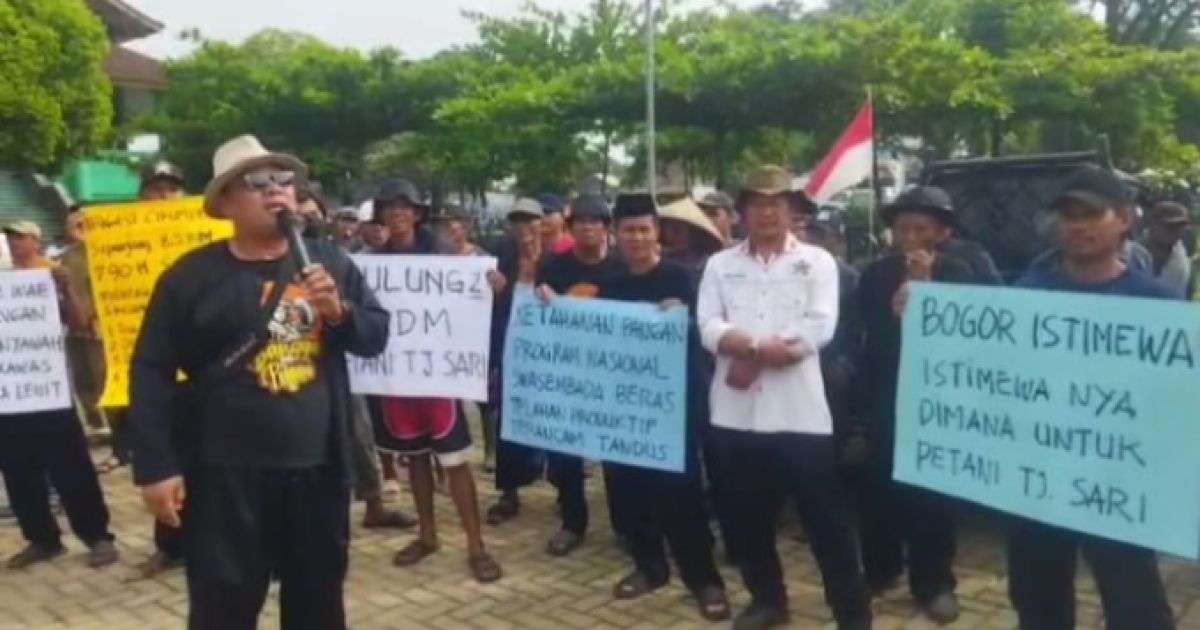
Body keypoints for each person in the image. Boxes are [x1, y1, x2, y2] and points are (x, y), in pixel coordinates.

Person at [128, 135, 388, 629]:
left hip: (317, 473)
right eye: (257, 182)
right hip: (224, 478)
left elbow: (375, 336)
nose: (277, 192)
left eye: (285, 181)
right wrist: (156, 466)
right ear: (225, 202)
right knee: (222, 608)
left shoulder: (329, 262)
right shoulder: (190, 277)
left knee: (318, 605)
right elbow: (150, 370)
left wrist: (341, 312)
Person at [697, 166, 871, 630]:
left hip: (801, 414)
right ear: (743, 212)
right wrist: (755, 348)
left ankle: (851, 613)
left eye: (776, 203)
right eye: (756, 203)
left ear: (791, 210)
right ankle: (768, 600)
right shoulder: (720, 264)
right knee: (746, 519)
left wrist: (767, 350)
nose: (766, 212)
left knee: (827, 524)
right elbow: (708, 325)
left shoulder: (817, 262)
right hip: (735, 413)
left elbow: (820, 326)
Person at [1008, 167, 1176, 630]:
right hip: (1037, 479)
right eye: (1068, 216)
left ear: (1124, 219)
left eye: (1091, 214)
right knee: (1038, 604)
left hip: (1118, 483)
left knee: (1137, 604)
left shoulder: (1158, 304)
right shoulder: (1024, 296)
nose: (1077, 226)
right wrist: (917, 318)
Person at [593, 196, 730, 622]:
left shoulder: (684, 276)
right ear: (616, 233)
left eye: (643, 229)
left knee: (682, 494)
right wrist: (545, 299)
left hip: (674, 404)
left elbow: (709, 331)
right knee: (628, 489)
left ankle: (704, 579)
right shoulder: (610, 278)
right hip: (623, 403)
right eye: (628, 230)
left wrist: (684, 319)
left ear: (657, 232)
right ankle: (649, 567)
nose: (635, 238)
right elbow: (585, 325)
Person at [370, 178, 503, 583]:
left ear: (416, 213)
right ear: (382, 215)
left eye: (404, 206)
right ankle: (427, 536)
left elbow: (473, 296)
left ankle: (476, 545)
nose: (397, 213)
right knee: (414, 458)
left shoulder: (444, 255)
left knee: (455, 460)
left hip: (439, 376)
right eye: (390, 207)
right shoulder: (371, 262)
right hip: (399, 376)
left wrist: (491, 287)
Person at [856, 187, 975, 624]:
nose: (910, 237)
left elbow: (970, 339)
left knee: (933, 496)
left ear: (941, 233)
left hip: (939, 401)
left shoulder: (962, 272)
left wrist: (926, 290)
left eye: (921, 229)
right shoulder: (875, 274)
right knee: (879, 488)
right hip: (886, 395)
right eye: (903, 228)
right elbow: (866, 329)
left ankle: (934, 582)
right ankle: (880, 570)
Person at [1, 220, 119, 570]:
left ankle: (97, 536)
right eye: (8, 237)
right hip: (9, 396)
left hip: (49, 391)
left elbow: (80, 323)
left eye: (19, 236)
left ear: (35, 240)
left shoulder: (53, 275)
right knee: (17, 470)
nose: (13, 243)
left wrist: (67, 291)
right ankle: (42, 539)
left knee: (71, 466)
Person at [535, 193, 627, 557]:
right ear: (571, 229)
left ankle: (626, 526)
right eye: (581, 222)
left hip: (613, 373)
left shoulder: (623, 267)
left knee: (616, 453)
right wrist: (539, 295)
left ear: (607, 228)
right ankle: (572, 523)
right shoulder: (554, 267)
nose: (588, 227)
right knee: (565, 451)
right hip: (568, 371)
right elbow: (538, 313)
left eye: (596, 221)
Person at [128, 159, 191, 579]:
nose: (164, 196)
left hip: (206, 372)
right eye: (156, 188)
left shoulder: (207, 240)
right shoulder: (124, 238)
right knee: (163, 452)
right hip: (152, 366)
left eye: (172, 188)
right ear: (142, 195)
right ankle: (169, 543)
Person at [485, 198, 549, 526]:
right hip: (511, 350)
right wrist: (493, 290)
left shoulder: (556, 262)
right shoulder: (502, 258)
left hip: (552, 356)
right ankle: (509, 492)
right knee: (508, 419)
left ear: (544, 224)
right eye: (518, 222)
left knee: (554, 419)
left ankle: (567, 495)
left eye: (531, 221)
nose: (525, 229)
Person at [59, 209, 106, 434]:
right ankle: (94, 423)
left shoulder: (103, 252)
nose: (77, 227)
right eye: (73, 224)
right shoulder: (66, 256)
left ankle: (112, 428)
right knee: (81, 379)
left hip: (98, 327)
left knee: (101, 378)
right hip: (75, 327)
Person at [659, 197, 726, 272]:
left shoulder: (712, 264)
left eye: (678, 229)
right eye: (667, 230)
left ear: (694, 231)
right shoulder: (662, 264)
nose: (672, 236)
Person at [1140, 201, 1191, 297]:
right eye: (1169, 226)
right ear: (1153, 224)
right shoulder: (1130, 253)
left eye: (1180, 226)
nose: (1175, 231)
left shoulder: (1183, 264)